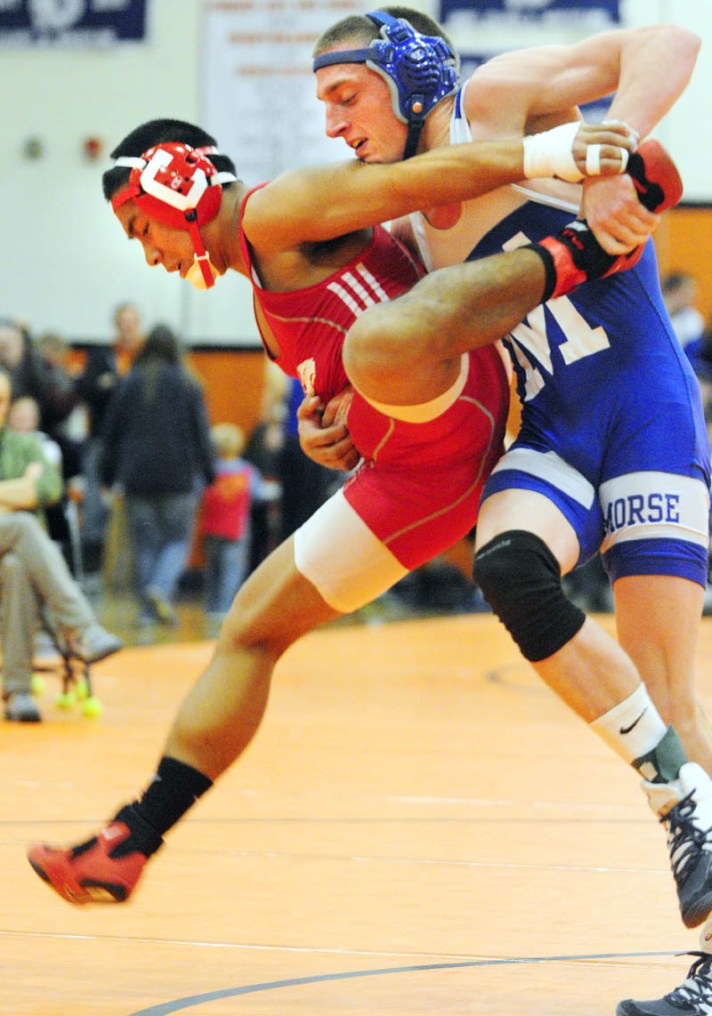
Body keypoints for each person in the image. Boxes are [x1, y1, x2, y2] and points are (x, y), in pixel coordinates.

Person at [25, 115, 692, 922]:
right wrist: (318, 416)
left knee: (378, 347)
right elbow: (333, 356)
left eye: (141, 228)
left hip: (447, 419)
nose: (149, 253)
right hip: (413, 469)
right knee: (251, 627)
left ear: (175, 181)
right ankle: (134, 838)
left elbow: (416, 181)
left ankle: (580, 252)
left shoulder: (276, 211)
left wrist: (552, 154)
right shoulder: (262, 291)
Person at [311, 8, 711, 1013]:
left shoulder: (500, 103)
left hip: (644, 408)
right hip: (554, 431)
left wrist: (608, 151)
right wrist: (342, 421)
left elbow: (669, 37)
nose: (332, 127)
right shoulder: (403, 231)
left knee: (672, 687)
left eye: (343, 97)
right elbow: (416, 364)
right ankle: (680, 801)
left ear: (408, 85)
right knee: (509, 566)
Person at [0, 370, 122, 722]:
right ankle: (82, 627)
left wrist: (28, 491)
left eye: (3, 400)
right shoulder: (28, 454)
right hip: (21, 536)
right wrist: (19, 491)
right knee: (22, 525)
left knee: (15, 566)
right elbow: (27, 494)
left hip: (15, 561)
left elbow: (48, 490)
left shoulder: (26, 444)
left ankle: (18, 692)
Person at [99, 323, 215, 626]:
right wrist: (210, 472)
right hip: (178, 478)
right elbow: (201, 433)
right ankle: (159, 590)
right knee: (177, 540)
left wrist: (106, 477)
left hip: (137, 477)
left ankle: (147, 612)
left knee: (145, 544)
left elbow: (110, 434)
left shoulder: (130, 382)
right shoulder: (189, 383)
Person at [76, 302, 145, 571]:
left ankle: (135, 576)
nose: (127, 328)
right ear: (116, 325)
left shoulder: (146, 359)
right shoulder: (100, 356)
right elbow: (88, 389)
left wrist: (112, 385)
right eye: (122, 322)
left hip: (135, 444)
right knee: (95, 506)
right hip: (101, 441)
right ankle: (92, 574)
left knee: (137, 509)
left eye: (132, 322)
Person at [199, 422, 267, 618]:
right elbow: (258, 494)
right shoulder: (247, 471)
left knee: (212, 570)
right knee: (232, 571)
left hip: (211, 527)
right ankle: (224, 608)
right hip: (236, 529)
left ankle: (210, 608)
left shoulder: (209, 471)